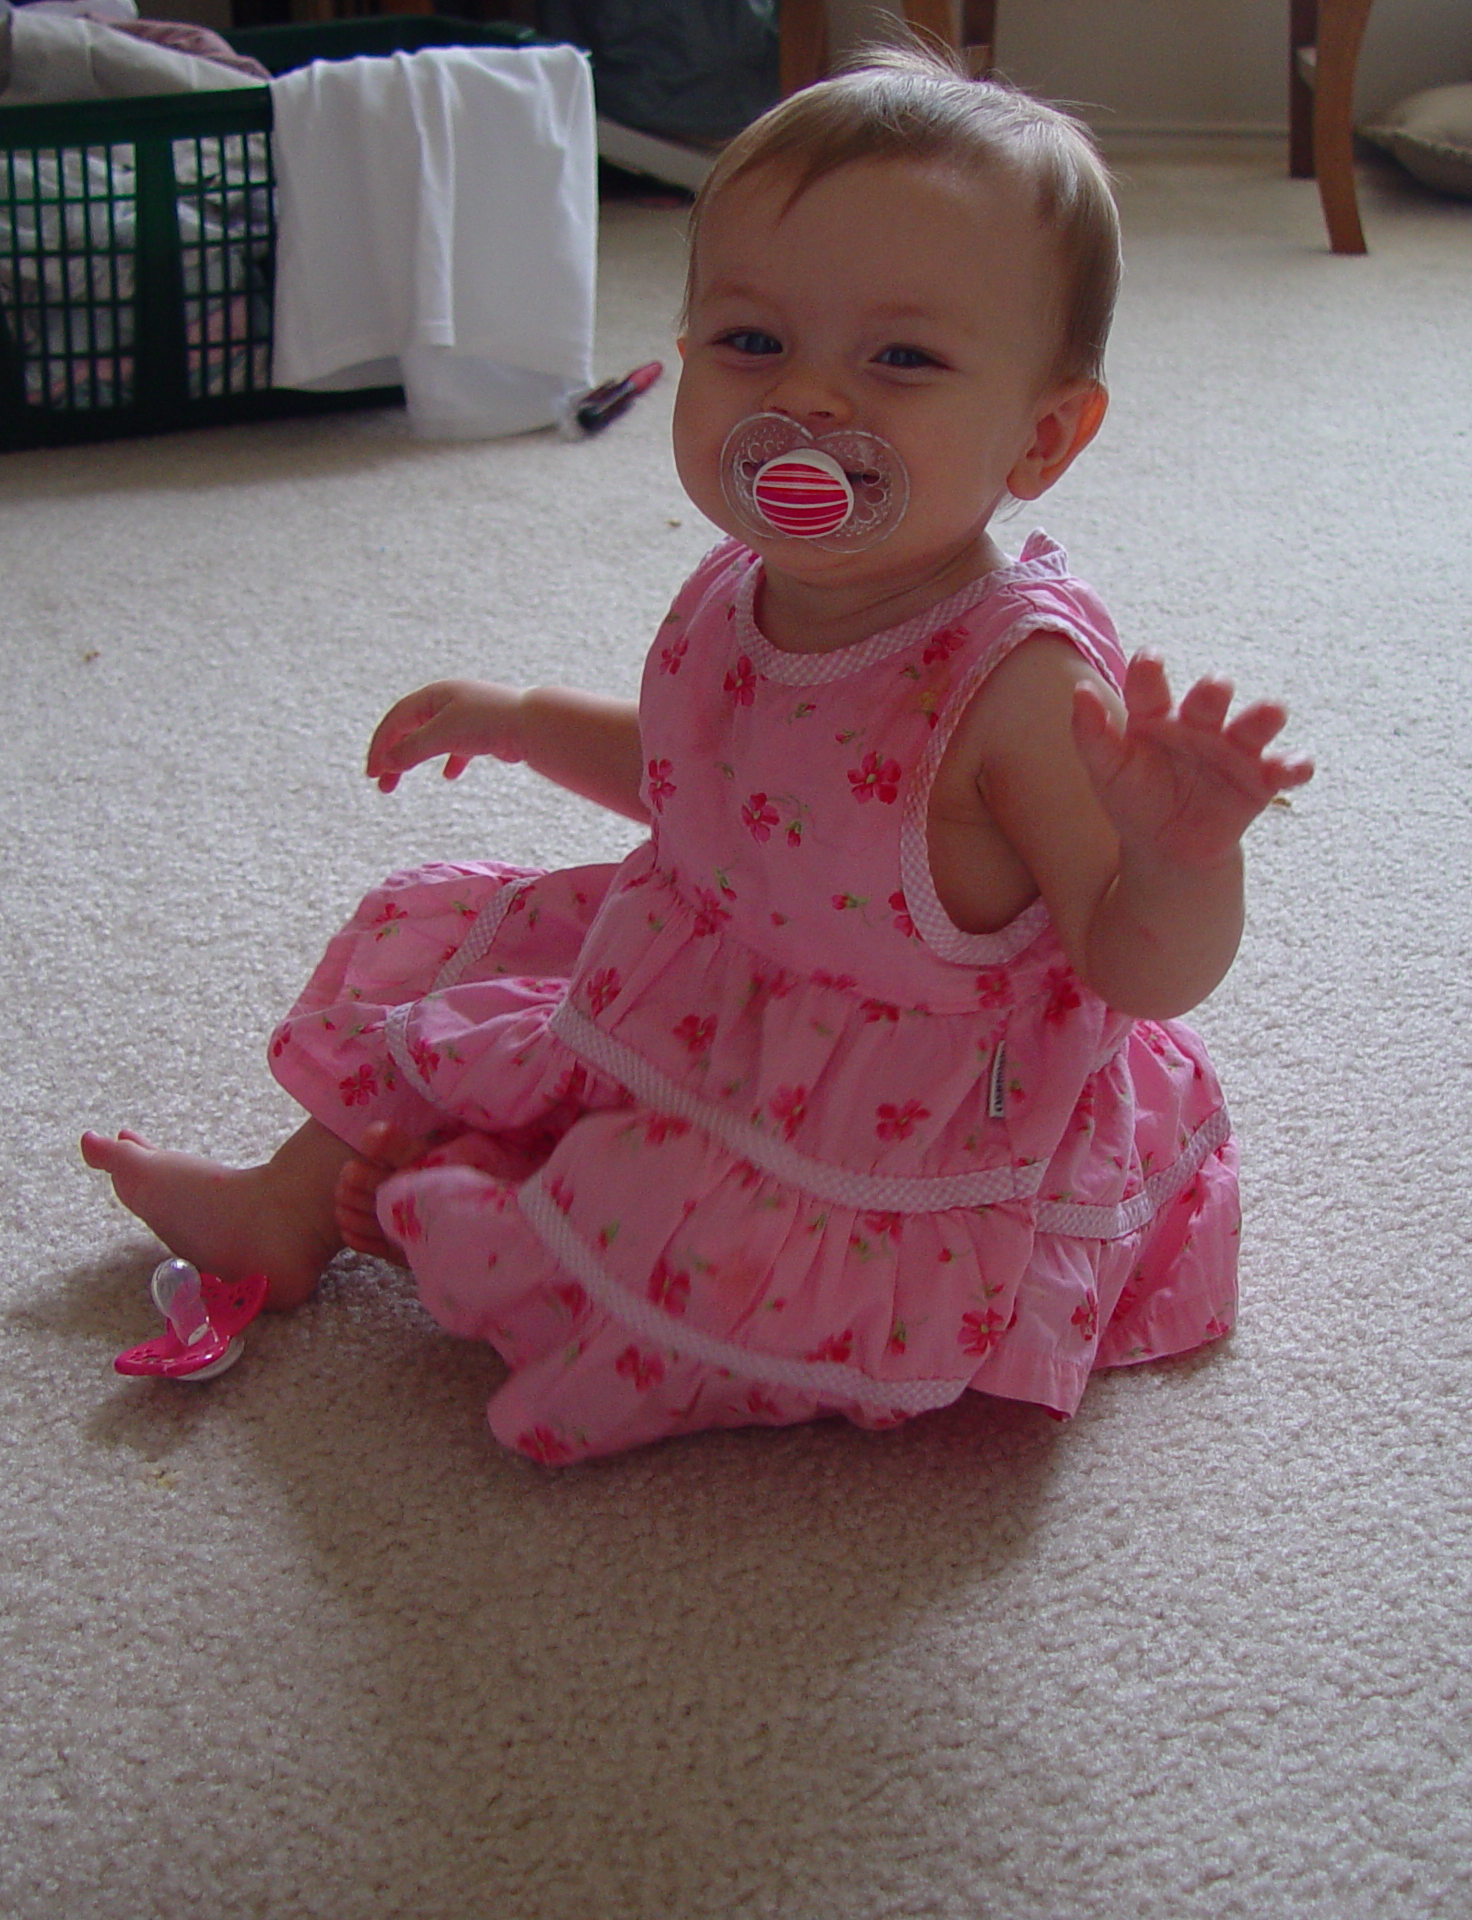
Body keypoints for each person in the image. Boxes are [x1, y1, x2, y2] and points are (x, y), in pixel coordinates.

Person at [82, 42, 1312, 1464]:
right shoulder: (744, 584)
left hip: (878, 1099)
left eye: (902, 358)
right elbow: (708, 784)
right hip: (702, 955)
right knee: (475, 964)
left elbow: (1128, 962)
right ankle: (282, 1210)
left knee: (691, 1247)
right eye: (751, 343)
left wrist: (1179, 860)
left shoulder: (1018, 686)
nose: (813, 403)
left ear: (1042, 437)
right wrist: (525, 721)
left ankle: (500, 1192)